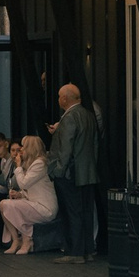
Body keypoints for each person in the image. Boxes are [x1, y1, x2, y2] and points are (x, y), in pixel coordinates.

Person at [46, 82, 101, 263]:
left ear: (64, 98)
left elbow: (66, 148)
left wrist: (58, 171)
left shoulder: (69, 117)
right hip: (87, 172)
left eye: (59, 97)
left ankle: (74, 252)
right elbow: (93, 144)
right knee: (86, 212)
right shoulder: (88, 114)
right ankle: (87, 250)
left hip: (71, 174)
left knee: (71, 212)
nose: (58, 100)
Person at [0, 135, 59, 255]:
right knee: (4, 205)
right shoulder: (32, 164)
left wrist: (18, 167)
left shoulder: (39, 163)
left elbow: (24, 183)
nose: (21, 150)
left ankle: (25, 240)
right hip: (35, 203)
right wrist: (19, 194)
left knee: (8, 205)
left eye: (23, 147)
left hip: (45, 207)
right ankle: (16, 240)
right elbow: (30, 189)